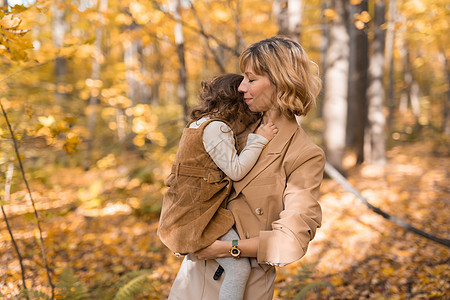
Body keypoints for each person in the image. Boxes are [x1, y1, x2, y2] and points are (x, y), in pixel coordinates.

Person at [168, 36, 326, 300]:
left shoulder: (304, 154)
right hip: (192, 276)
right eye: (243, 78)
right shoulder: (230, 127)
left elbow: (291, 242)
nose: (241, 87)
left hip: (243, 285)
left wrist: (226, 249)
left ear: (281, 82)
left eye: (251, 79)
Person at [158, 73, 278, 300]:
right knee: (240, 267)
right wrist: (259, 139)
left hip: (187, 210)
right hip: (200, 215)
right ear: (236, 104)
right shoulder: (216, 129)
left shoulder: (197, 125)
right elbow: (236, 170)